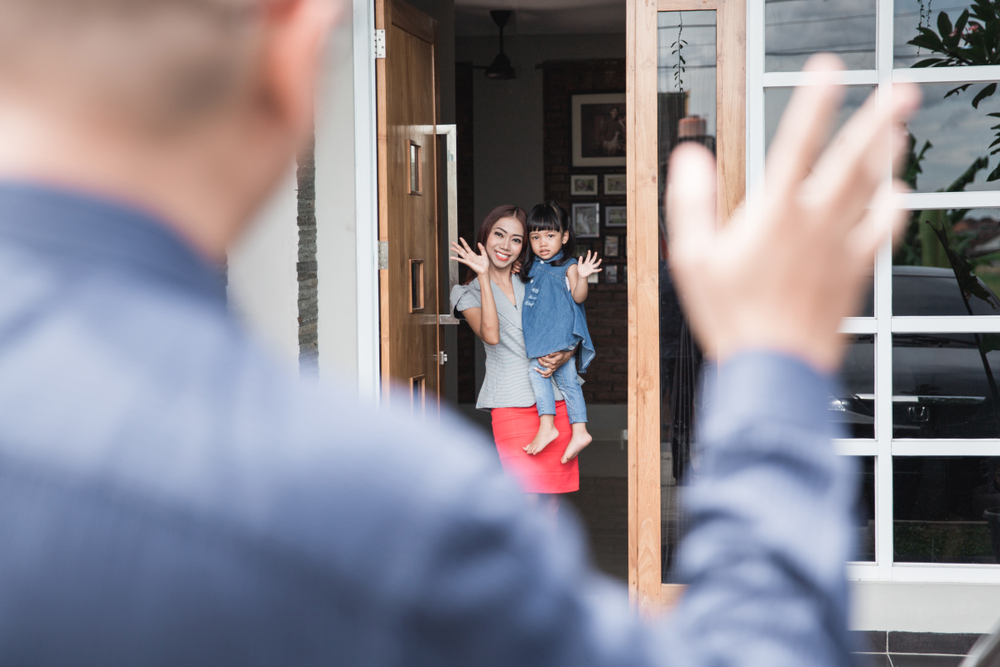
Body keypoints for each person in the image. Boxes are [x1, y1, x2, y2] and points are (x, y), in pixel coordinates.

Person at [0, 0, 922, 662]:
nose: (522, 243)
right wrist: (774, 362)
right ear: (295, 49)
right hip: (513, 402)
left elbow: (554, 325)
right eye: (512, 236)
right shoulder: (377, 503)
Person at [450, 206, 581, 497]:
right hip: (510, 404)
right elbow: (491, 336)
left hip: (557, 402)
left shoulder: (535, 278)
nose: (506, 246)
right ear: (485, 235)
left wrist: (568, 353)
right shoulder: (465, 292)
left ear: (525, 246)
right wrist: (484, 277)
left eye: (517, 239)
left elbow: (569, 321)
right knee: (524, 500)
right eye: (499, 234)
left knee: (552, 501)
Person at [518, 201, 601, 463]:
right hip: (551, 335)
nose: (543, 243)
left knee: (537, 372)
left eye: (550, 235)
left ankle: (547, 425)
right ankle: (580, 431)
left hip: (559, 335)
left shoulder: (569, 266)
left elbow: (578, 296)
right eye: (535, 237)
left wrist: (583, 276)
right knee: (569, 384)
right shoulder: (534, 266)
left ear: (564, 237)